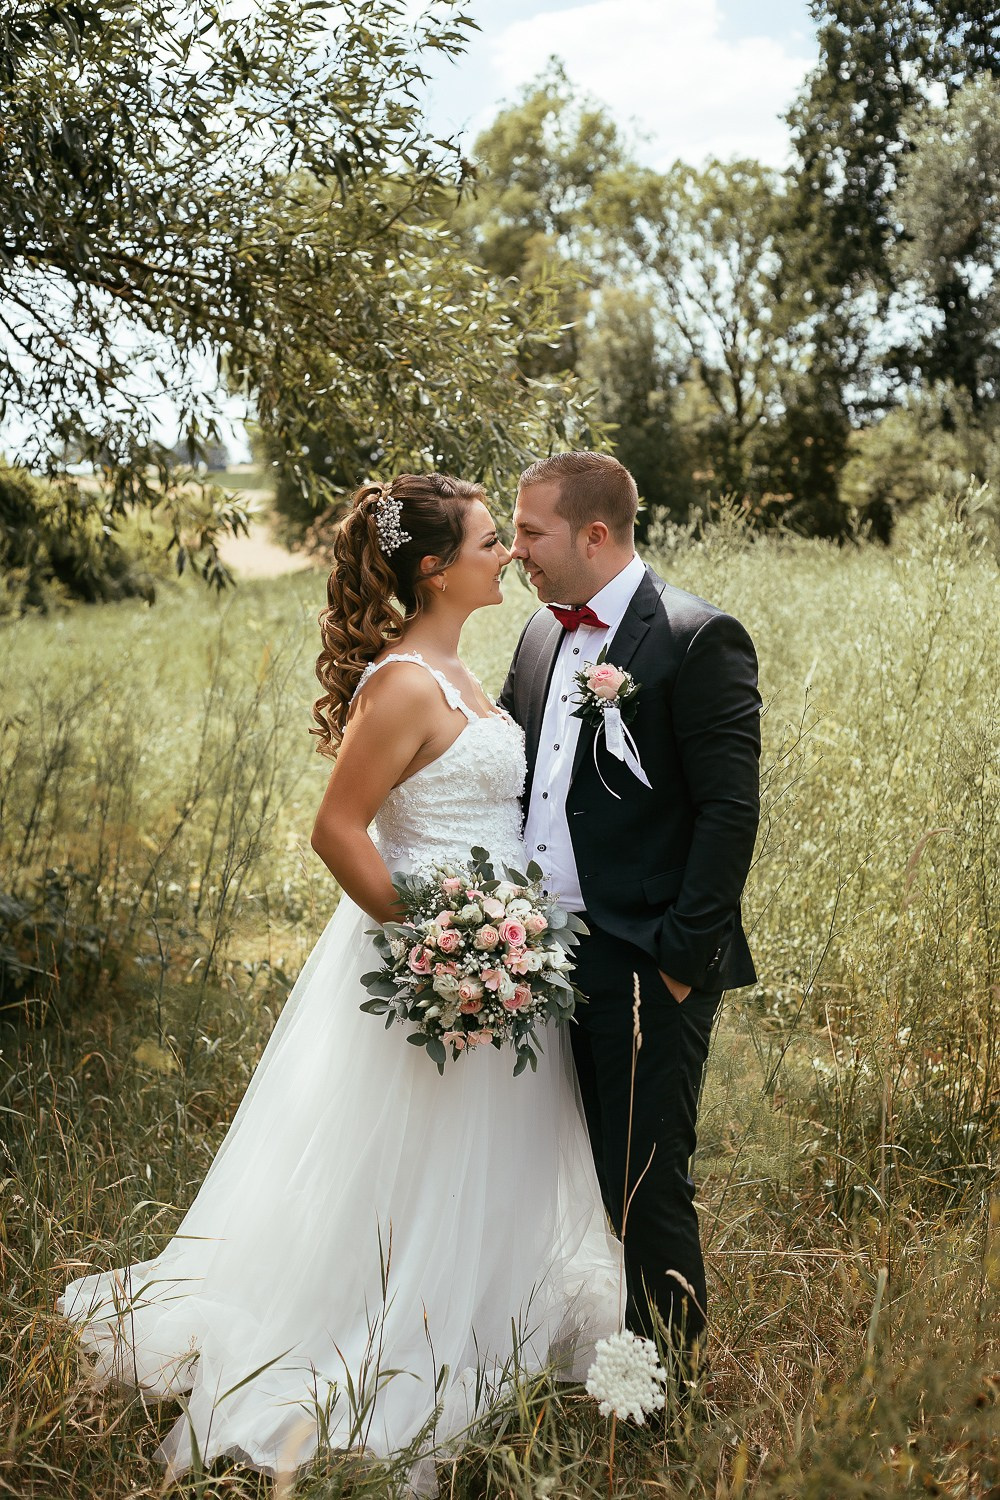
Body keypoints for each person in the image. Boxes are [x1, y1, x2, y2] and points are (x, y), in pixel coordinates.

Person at [59, 474, 621, 1489]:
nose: (508, 554)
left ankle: (484, 1314)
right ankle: (387, 1340)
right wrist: (440, 942)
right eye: (494, 540)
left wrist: (494, 943)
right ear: (435, 568)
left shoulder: (459, 666)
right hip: (437, 958)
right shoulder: (406, 680)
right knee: (413, 1162)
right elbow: (337, 829)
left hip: (494, 954)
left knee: (478, 1160)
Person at [500, 451, 761, 1371]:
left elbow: (731, 812)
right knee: (564, 1165)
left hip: (646, 954)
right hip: (538, 954)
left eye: (531, 532)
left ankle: (666, 1387)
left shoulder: (697, 637)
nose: (516, 549)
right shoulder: (538, 636)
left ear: (594, 534)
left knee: (644, 1179)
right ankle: (566, 1351)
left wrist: (682, 960)